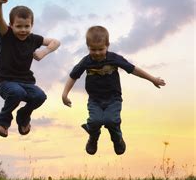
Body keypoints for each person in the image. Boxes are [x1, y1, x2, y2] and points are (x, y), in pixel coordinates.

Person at [61, 25, 166, 155]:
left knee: (111, 120)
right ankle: (93, 138)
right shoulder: (86, 62)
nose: (97, 53)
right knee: (95, 121)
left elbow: (133, 69)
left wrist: (153, 79)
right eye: (93, 49)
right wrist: (65, 94)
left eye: (101, 49)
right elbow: (73, 76)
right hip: (95, 100)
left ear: (107, 45)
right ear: (87, 46)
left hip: (113, 99)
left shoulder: (114, 59)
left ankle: (117, 139)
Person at [0, 0, 60, 137]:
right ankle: (2, 119)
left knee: (40, 96)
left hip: (26, 82)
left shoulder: (33, 39)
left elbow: (56, 42)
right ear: (11, 26)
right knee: (18, 93)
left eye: (27, 26)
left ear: (31, 25)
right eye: (18, 26)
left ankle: (23, 117)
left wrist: (44, 51)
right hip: (6, 82)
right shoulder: (7, 35)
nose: (23, 30)